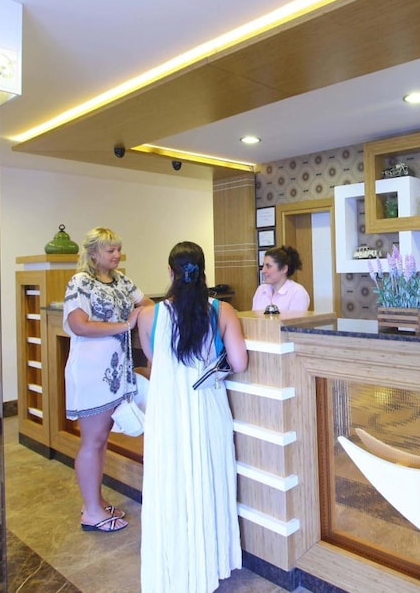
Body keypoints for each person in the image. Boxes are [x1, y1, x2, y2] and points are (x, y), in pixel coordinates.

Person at [136, 241, 248, 592]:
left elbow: (155, 361)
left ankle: (175, 561)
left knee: (170, 483)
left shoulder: (149, 315)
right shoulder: (222, 311)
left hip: (166, 412)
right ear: (203, 271)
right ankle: (210, 561)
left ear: (170, 272)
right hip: (207, 407)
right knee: (208, 478)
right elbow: (239, 362)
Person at [63, 227, 153, 533]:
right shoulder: (81, 282)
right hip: (92, 373)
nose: (117, 255)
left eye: (118, 249)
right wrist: (124, 325)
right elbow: (79, 325)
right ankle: (91, 511)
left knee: (101, 439)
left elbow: (148, 305)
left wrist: (137, 318)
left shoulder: (122, 280)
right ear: (93, 254)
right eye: (110, 250)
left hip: (116, 373)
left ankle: (96, 501)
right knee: (93, 440)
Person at [251, 245, 310, 312]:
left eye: (268, 266)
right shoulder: (261, 290)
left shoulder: (297, 292)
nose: (263, 270)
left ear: (284, 269)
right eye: (263, 266)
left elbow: (296, 319)